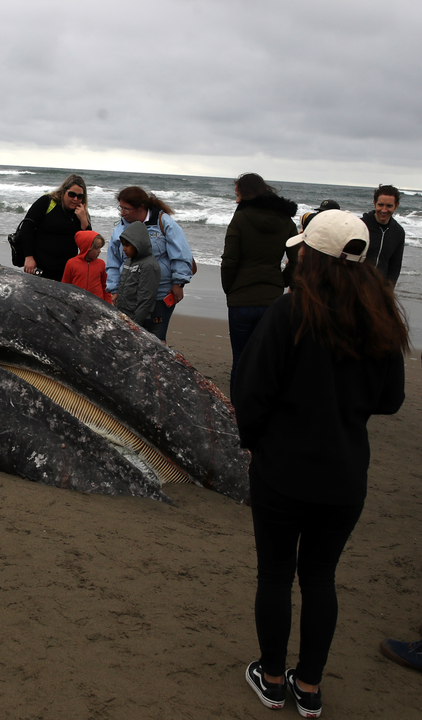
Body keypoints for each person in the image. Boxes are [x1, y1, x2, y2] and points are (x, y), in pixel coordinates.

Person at [232, 210, 407, 718]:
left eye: (301, 248)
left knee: (275, 574)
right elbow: (391, 398)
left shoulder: (289, 312)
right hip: (345, 472)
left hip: (282, 468)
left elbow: (251, 391)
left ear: (311, 255)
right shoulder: (381, 315)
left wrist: (255, 442)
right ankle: (308, 687)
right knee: (320, 578)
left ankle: (270, 676)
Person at [220, 173, 299, 387]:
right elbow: (297, 258)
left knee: (240, 358)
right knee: (264, 360)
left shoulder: (241, 218)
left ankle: (238, 413)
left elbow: (229, 260)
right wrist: (282, 280)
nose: (236, 200)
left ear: (246, 194)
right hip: (272, 299)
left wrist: (229, 288)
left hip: (241, 299)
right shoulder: (286, 221)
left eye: (238, 195)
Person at [106, 187, 193, 342]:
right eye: (121, 208)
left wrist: (178, 283)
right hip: (129, 294)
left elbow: (181, 253)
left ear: (141, 207)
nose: (122, 212)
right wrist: (114, 289)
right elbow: (113, 261)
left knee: (156, 338)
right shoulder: (120, 228)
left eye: (127, 209)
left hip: (160, 294)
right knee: (132, 335)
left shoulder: (163, 222)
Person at [15, 174, 91, 281]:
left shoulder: (81, 213)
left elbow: (88, 245)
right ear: (63, 191)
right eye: (72, 194)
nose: (75, 199)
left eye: (80, 196)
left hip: (66, 270)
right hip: (40, 266)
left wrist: (84, 221)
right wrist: (28, 257)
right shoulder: (47, 201)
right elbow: (27, 227)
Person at [113, 221, 160, 328]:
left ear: (138, 243)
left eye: (127, 245)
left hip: (137, 319)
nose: (124, 248)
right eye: (123, 245)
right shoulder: (128, 261)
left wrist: (136, 323)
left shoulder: (149, 265)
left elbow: (146, 298)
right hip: (123, 314)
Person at [361, 184, 404, 285]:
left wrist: (388, 290)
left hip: (379, 288)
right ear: (374, 203)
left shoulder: (398, 232)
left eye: (389, 206)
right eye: (380, 205)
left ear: (396, 206)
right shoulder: (361, 225)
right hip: (356, 286)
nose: (384, 210)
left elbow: (395, 267)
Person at [62, 231, 112, 303]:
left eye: (100, 248)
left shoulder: (101, 264)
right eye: (96, 248)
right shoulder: (71, 263)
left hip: (98, 303)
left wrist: (108, 304)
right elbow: (65, 285)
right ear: (86, 247)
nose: (99, 251)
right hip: (77, 303)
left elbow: (105, 287)